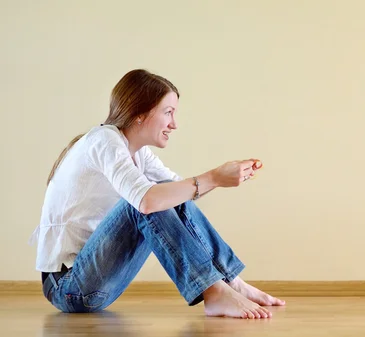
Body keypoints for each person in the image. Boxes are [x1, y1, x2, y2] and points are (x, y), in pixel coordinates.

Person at [30, 69, 284, 319]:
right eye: (168, 112)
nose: (174, 124)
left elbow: (183, 191)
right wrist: (214, 177)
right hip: (69, 288)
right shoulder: (103, 140)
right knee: (143, 202)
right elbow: (147, 200)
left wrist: (223, 177)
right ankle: (214, 291)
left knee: (168, 194)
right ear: (140, 114)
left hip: (94, 283)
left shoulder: (137, 152)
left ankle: (230, 281)